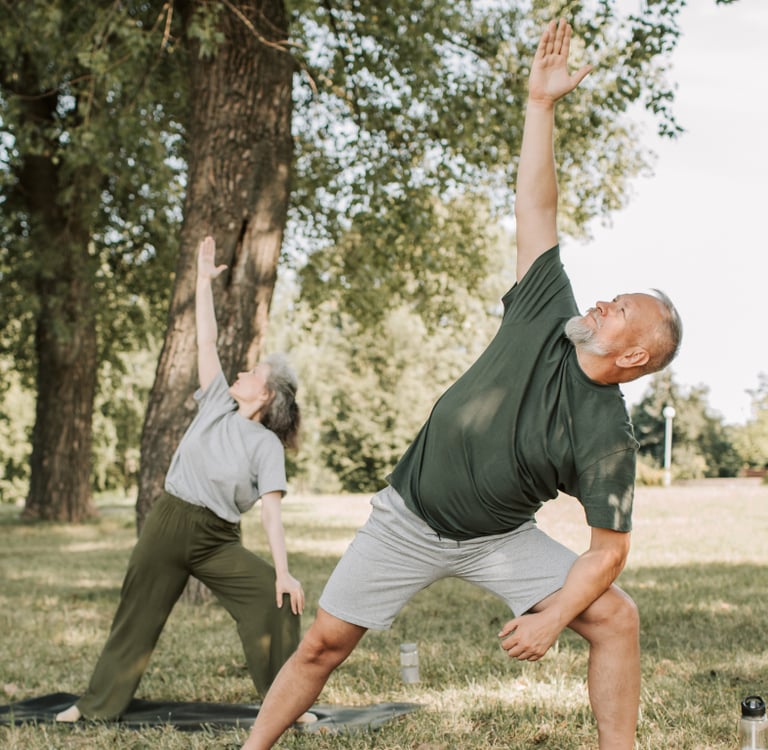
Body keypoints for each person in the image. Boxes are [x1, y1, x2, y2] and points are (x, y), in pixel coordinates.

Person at [241, 18, 682, 750]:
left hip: (497, 538)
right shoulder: (549, 309)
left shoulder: (607, 434)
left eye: (621, 311)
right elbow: (536, 209)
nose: (604, 302)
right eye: (612, 296)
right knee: (323, 644)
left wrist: (549, 617)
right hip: (408, 518)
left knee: (617, 618)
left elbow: (607, 552)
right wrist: (539, 106)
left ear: (633, 357)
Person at [56, 235, 306, 723]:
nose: (241, 369)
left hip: (217, 539)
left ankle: (287, 708)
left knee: (274, 599)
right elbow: (206, 339)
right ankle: (95, 707)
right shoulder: (215, 401)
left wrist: (282, 571)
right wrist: (202, 282)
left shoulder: (266, 446)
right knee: (136, 615)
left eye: (252, 371)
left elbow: (272, 515)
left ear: (267, 394)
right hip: (169, 524)